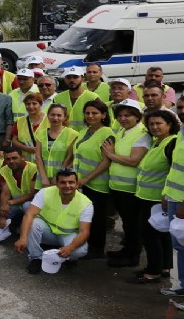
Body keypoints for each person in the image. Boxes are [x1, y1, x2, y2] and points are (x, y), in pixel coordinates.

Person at [129, 110, 178, 283]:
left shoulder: (172, 143)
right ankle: (164, 267)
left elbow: (174, 172)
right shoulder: (158, 142)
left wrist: (166, 195)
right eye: (151, 124)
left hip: (157, 199)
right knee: (161, 234)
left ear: (169, 124)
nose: (154, 127)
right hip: (147, 197)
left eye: (159, 123)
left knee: (150, 235)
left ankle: (153, 271)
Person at [14, 168, 93, 274]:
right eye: (63, 182)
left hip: (68, 235)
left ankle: (68, 257)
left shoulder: (86, 203)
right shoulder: (45, 192)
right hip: (47, 232)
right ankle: (36, 258)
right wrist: (22, 238)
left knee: (80, 251)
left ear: (77, 184)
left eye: (71, 182)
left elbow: (84, 232)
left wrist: (71, 247)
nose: (67, 186)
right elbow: (29, 214)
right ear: (57, 184)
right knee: (33, 222)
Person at [103, 99, 150, 268]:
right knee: (127, 224)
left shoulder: (142, 133)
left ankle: (132, 256)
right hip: (118, 187)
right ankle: (127, 251)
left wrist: (110, 154)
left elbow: (133, 161)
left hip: (131, 189)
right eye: (120, 115)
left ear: (137, 117)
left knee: (133, 224)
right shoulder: (122, 131)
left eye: (128, 115)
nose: (123, 118)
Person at [72, 99, 114, 259]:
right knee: (85, 216)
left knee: (97, 218)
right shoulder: (85, 131)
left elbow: (106, 161)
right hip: (82, 181)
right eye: (87, 113)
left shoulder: (107, 133)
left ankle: (97, 249)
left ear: (103, 115)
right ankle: (86, 243)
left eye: (94, 113)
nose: (90, 116)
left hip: (97, 183)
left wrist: (87, 178)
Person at [159, 95, 184, 303]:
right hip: (174, 197)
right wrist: (167, 194)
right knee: (180, 246)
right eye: (181, 107)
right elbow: (177, 168)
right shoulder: (182, 132)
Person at [34, 103, 78, 190]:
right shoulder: (41, 134)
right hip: (43, 178)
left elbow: (69, 158)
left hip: (63, 178)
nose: (55, 118)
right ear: (48, 115)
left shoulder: (72, 134)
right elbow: (38, 157)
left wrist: (58, 177)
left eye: (59, 115)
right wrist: (44, 177)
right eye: (52, 115)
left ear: (65, 117)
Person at [0, 147, 37, 230]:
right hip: (16, 203)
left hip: (31, 202)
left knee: (26, 206)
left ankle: (29, 230)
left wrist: (10, 202)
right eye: (8, 159)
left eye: (14, 158)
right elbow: (5, 193)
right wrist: (3, 211)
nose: (11, 161)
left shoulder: (33, 168)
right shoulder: (4, 170)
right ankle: (15, 228)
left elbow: (32, 195)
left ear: (22, 157)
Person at [53, 66, 99, 132]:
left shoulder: (93, 97)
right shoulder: (58, 98)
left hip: (85, 137)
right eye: (68, 77)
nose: (72, 80)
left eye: (75, 77)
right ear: (65, 79)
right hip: (64, 136)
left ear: (82, 79)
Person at [11, 93, 48, 163]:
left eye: (34, 103)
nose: (31, 106)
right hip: (27, 162)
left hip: (45, 161)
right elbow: (14, 140)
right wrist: (26, 148)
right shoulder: (20, 121)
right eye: (28, 104)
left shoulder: (49, 119)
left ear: (41, 104)